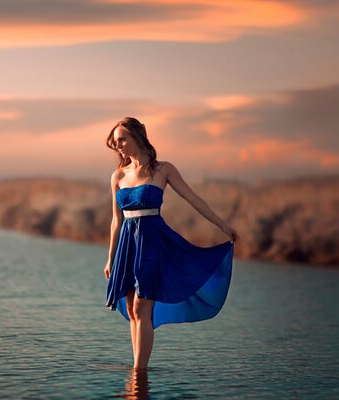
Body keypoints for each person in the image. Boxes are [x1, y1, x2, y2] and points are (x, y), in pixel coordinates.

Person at [103, 117, 240, 370]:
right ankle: (138, 374)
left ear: (137, 137)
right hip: (127, 247)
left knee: (141, 305)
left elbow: (193, 198)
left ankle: (138, 374)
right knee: (132, 311)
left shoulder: (163, 170)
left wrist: (222, 225)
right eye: (115, 142)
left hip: (154, 243)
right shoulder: (118, 176)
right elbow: (116, 220)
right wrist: (111, 258)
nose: (118, 145)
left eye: (122, 139)